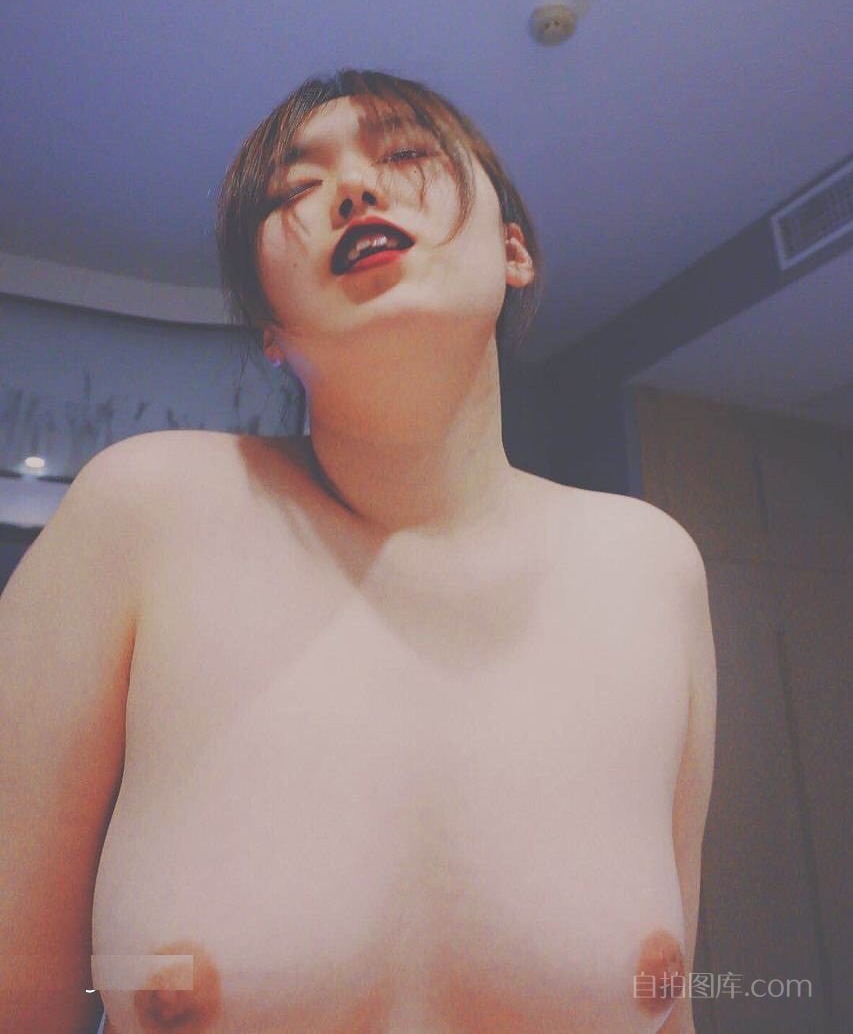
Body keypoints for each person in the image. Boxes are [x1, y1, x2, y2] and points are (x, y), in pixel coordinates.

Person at [0, 68, 716, 1033]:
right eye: (295, 190)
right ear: (269, 329)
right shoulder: (141, 514)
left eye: (406, 152)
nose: (353, 189)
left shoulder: (650, 570)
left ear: (513, 251)